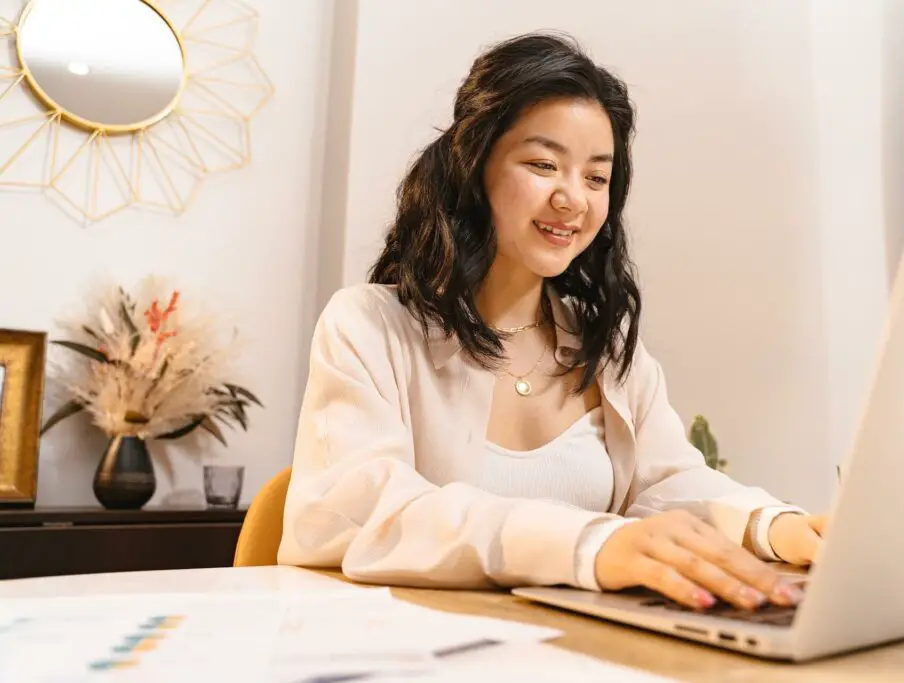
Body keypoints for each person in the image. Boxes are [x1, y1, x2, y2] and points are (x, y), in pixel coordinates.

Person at [278, 31, 827, 612]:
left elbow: (669, 484)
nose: (573, 198)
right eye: (543, 164)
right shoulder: (368, 327)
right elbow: (368, 515)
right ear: (475, 166)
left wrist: (778, 529)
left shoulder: (604, 345)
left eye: (596, 177)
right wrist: (589, 544)